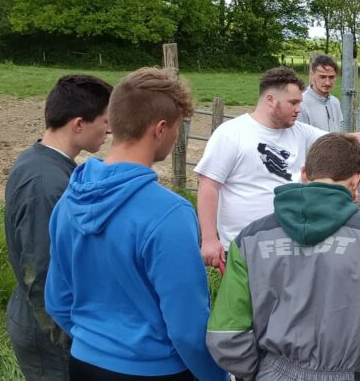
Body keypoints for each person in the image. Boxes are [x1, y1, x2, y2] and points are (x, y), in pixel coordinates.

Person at [45, 68, 227, 381]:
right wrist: (218, 377)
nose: (176, 137)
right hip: (155, 368)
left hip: (84, 363)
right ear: (159, 129)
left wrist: (97, 341)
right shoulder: (170, 213)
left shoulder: (69, 200)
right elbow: (187, 327)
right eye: (177, 128)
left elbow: (57, 299)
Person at [207, 133, 360, 380]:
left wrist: (262, 372)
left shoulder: (251, 238)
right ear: (357, 181)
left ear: (304, 174)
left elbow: (225, 335)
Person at [194, 66, 360, 268]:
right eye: (293, 103)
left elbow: (344, 141)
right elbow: (208, 186)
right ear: (270, 100)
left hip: (288, 242)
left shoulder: (299, 132)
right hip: (242, 245)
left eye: (300, 103)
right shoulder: (232, 134)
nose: (298, 109)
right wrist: (209, 240)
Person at [4, 75, 112, 381]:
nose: (110, 130)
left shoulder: (43, 161)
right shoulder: (47, 184)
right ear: (78, 124)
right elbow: (39, 272)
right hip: (47, 330)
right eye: (104, 121)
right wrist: (71, 340)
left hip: (45, 321)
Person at [297, 54, 343, 132]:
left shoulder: (335, 102)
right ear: (312, 76)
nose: (328, 83)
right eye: (322, 77)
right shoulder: (301, 104)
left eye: (331, 77)